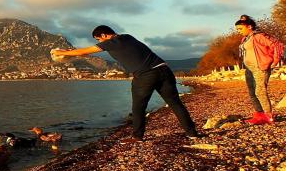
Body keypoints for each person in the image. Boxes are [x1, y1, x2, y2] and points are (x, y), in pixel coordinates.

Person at [52, 25, 200, 144]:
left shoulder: (111, 42)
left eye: (99, 39)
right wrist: (69, 52)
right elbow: (86, 53)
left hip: (145, 75)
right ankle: (192, 134)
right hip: (164, 70)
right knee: (175, 104)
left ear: (104, 35)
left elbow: (86, 50)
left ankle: (137, 137)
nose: (100, 42)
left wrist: (59, 53)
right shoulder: (127, 37)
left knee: (138, 108)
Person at [235, 15, 283, 125]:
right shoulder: (245, 38)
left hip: (260, 68)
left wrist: (275, 61)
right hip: (249, 69)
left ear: (250, 26)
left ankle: (269, 116)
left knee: (260, 92)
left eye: (240, 28)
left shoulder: (259, 36)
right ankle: (259, 115)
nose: (238, 31)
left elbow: (277, 44)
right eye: (237, 29)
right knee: (252, 93)